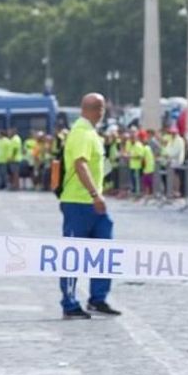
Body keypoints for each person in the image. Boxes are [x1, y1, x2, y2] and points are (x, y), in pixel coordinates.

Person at [58, 93, 121, 320]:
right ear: (98, 109)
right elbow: (80, 164)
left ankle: (98, 298)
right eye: (103, 109)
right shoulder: (82, 133)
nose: (104, 113)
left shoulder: (91, 133)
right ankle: (69, 302)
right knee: (73, 254)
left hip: (92, 203)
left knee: (104, 250)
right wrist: (95, 193)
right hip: (78, 201)